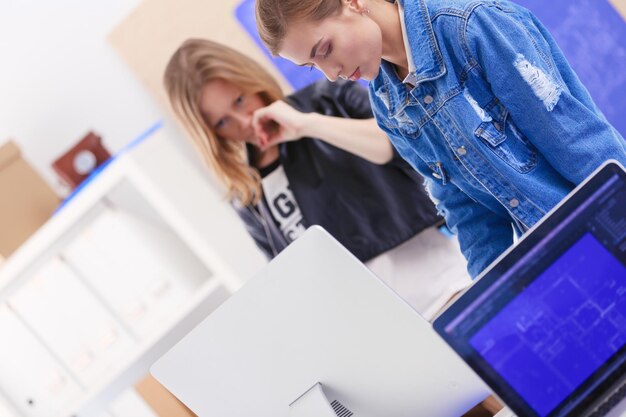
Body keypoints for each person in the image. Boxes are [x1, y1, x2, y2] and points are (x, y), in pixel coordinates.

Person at [255, 0, 626, 278]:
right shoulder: (387, 105)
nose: (330, 74)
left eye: (324, 50)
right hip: (566, 268)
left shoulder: (470, 26)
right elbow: (470, 216)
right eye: (312, 66)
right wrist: (496, 307)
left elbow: (582, 148)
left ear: (353, 2)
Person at [163, 39, 472, 318]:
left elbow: (394, 143)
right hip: (375, 331)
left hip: (446, 288)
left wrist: (307, 125)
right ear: (210, 135)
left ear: (251, 80)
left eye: (240, 101)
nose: (243, 122)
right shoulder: (248, 195)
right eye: (222, 122)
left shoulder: (329, 98)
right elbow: (295, 282)